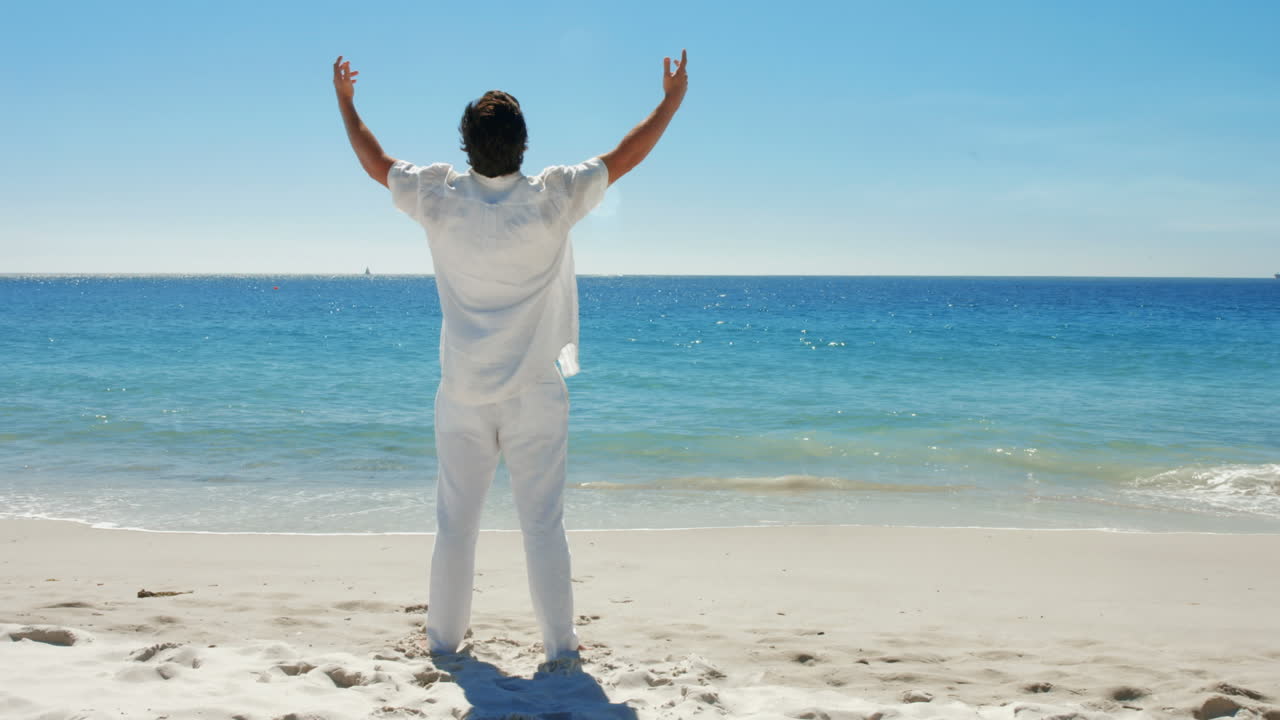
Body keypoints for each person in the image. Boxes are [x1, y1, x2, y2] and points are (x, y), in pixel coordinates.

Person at [332, 50, 689, 666]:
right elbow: (626, 156)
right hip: (535, 394)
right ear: (523, 145)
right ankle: (560, 648)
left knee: (456, 525)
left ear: (466, 146)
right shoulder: (554, 197)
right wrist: (670, 102)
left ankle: (443, 643)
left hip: (463, 393)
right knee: (542, 525)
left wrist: (346, 102)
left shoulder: (438, 198)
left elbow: (375, 163)